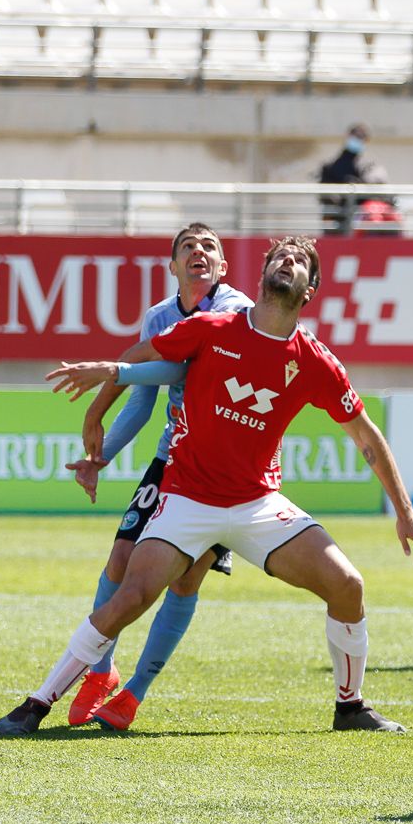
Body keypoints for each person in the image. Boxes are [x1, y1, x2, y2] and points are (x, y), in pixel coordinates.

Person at [0, 236, 413, 736]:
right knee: (131, 595)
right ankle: (38, 702)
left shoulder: (315, 361)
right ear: (264, 273)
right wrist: (106, 384)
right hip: (186, 498)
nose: (288, 264)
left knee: (349, 586)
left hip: (257, 504)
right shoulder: (212, 327)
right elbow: (144, 355)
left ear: (310, 291)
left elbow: (366, 435)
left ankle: (349, 707)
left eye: (300, 263)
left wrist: (405, 510)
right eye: (281, 258)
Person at [60, 223, 253, 731]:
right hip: (174, 456)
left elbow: (180, 371)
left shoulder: (237, 311)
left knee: (186, 577)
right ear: (172, 266)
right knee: (121, 558)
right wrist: (101, 458)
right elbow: (145, 404)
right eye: (188, 247)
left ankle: (135, 693)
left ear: (223, 266)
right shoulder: (159, 317)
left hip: (229, 467)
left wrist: (112, 371)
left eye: (209, 246)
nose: (199, 252)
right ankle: (99, 672)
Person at [318, 123, 397, 236]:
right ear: (347, 137)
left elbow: (377, 188)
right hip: (338, 219)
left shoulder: (369, 165)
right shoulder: (330, 166)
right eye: (355, 136)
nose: (357, 140)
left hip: (364, 221)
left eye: (361, 137)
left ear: (366, 140)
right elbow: (326, 194)